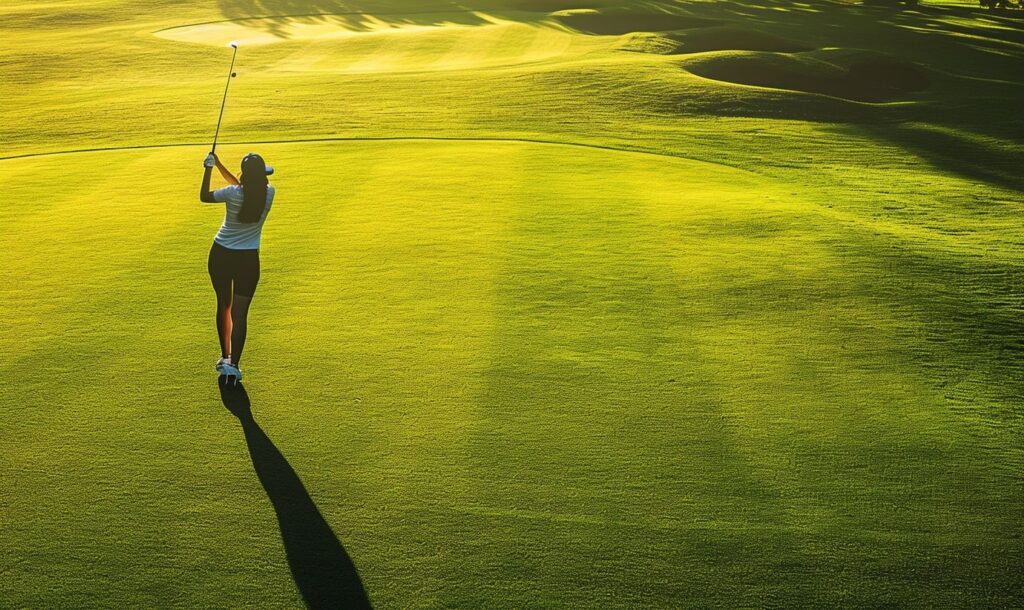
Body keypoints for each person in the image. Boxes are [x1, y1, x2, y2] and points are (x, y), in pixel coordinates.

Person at [200, 152, 275, 382]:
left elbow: (205, 196)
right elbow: (244, 187)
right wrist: (220, 164)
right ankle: (234, 364)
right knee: (240, 314)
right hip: (247, 261)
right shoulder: (269, 193)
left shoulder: (232, 194)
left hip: (221, 255)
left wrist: (209, 168)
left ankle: (225, 356)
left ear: (243, 176)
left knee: (224, 306)